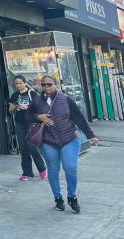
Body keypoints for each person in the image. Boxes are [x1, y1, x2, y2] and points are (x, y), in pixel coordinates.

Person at [27, 74, 99, 213]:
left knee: (70, 167)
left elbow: (79, 118)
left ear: (56, 85)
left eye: (49, 84)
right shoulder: (36, 101)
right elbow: (28, 116)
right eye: (43, 85)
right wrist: (38, 117)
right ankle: (58, 197)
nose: (46, 87)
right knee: (53, 169)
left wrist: (91, 135)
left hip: (69, 139)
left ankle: (72, 196)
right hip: (48, 141)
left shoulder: (66, 99)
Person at [8, 75, 47, 181]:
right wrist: (12, 107)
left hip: (31, 122)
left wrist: (27, 107)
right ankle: (27, 172)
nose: (18, 85)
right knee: (23, 148)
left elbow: (39, 108)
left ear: (25, 83)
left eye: (20, 83)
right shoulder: (14, 95)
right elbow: (10, 111)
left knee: (31, 146)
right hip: (19, 123)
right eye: (16, 83)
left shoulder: (32, 93)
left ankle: (42, 168)